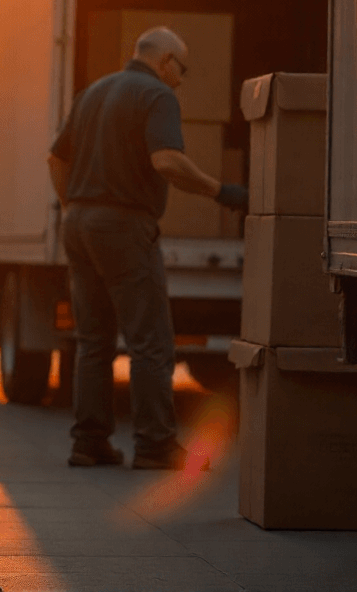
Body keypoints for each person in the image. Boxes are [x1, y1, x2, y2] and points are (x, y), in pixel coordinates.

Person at [48, 26, 247, 471]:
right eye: (183, 68)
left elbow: (55, 158)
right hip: (124, 225)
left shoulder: (93, 93)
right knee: (151, 342)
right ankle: (155, 446)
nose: (182, 78)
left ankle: (89, 442)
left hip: (79, 224)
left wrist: (75, 205)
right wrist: (222, 192)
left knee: (93, 340)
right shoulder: (157, 96)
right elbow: (167, 160)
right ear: (165, 62)